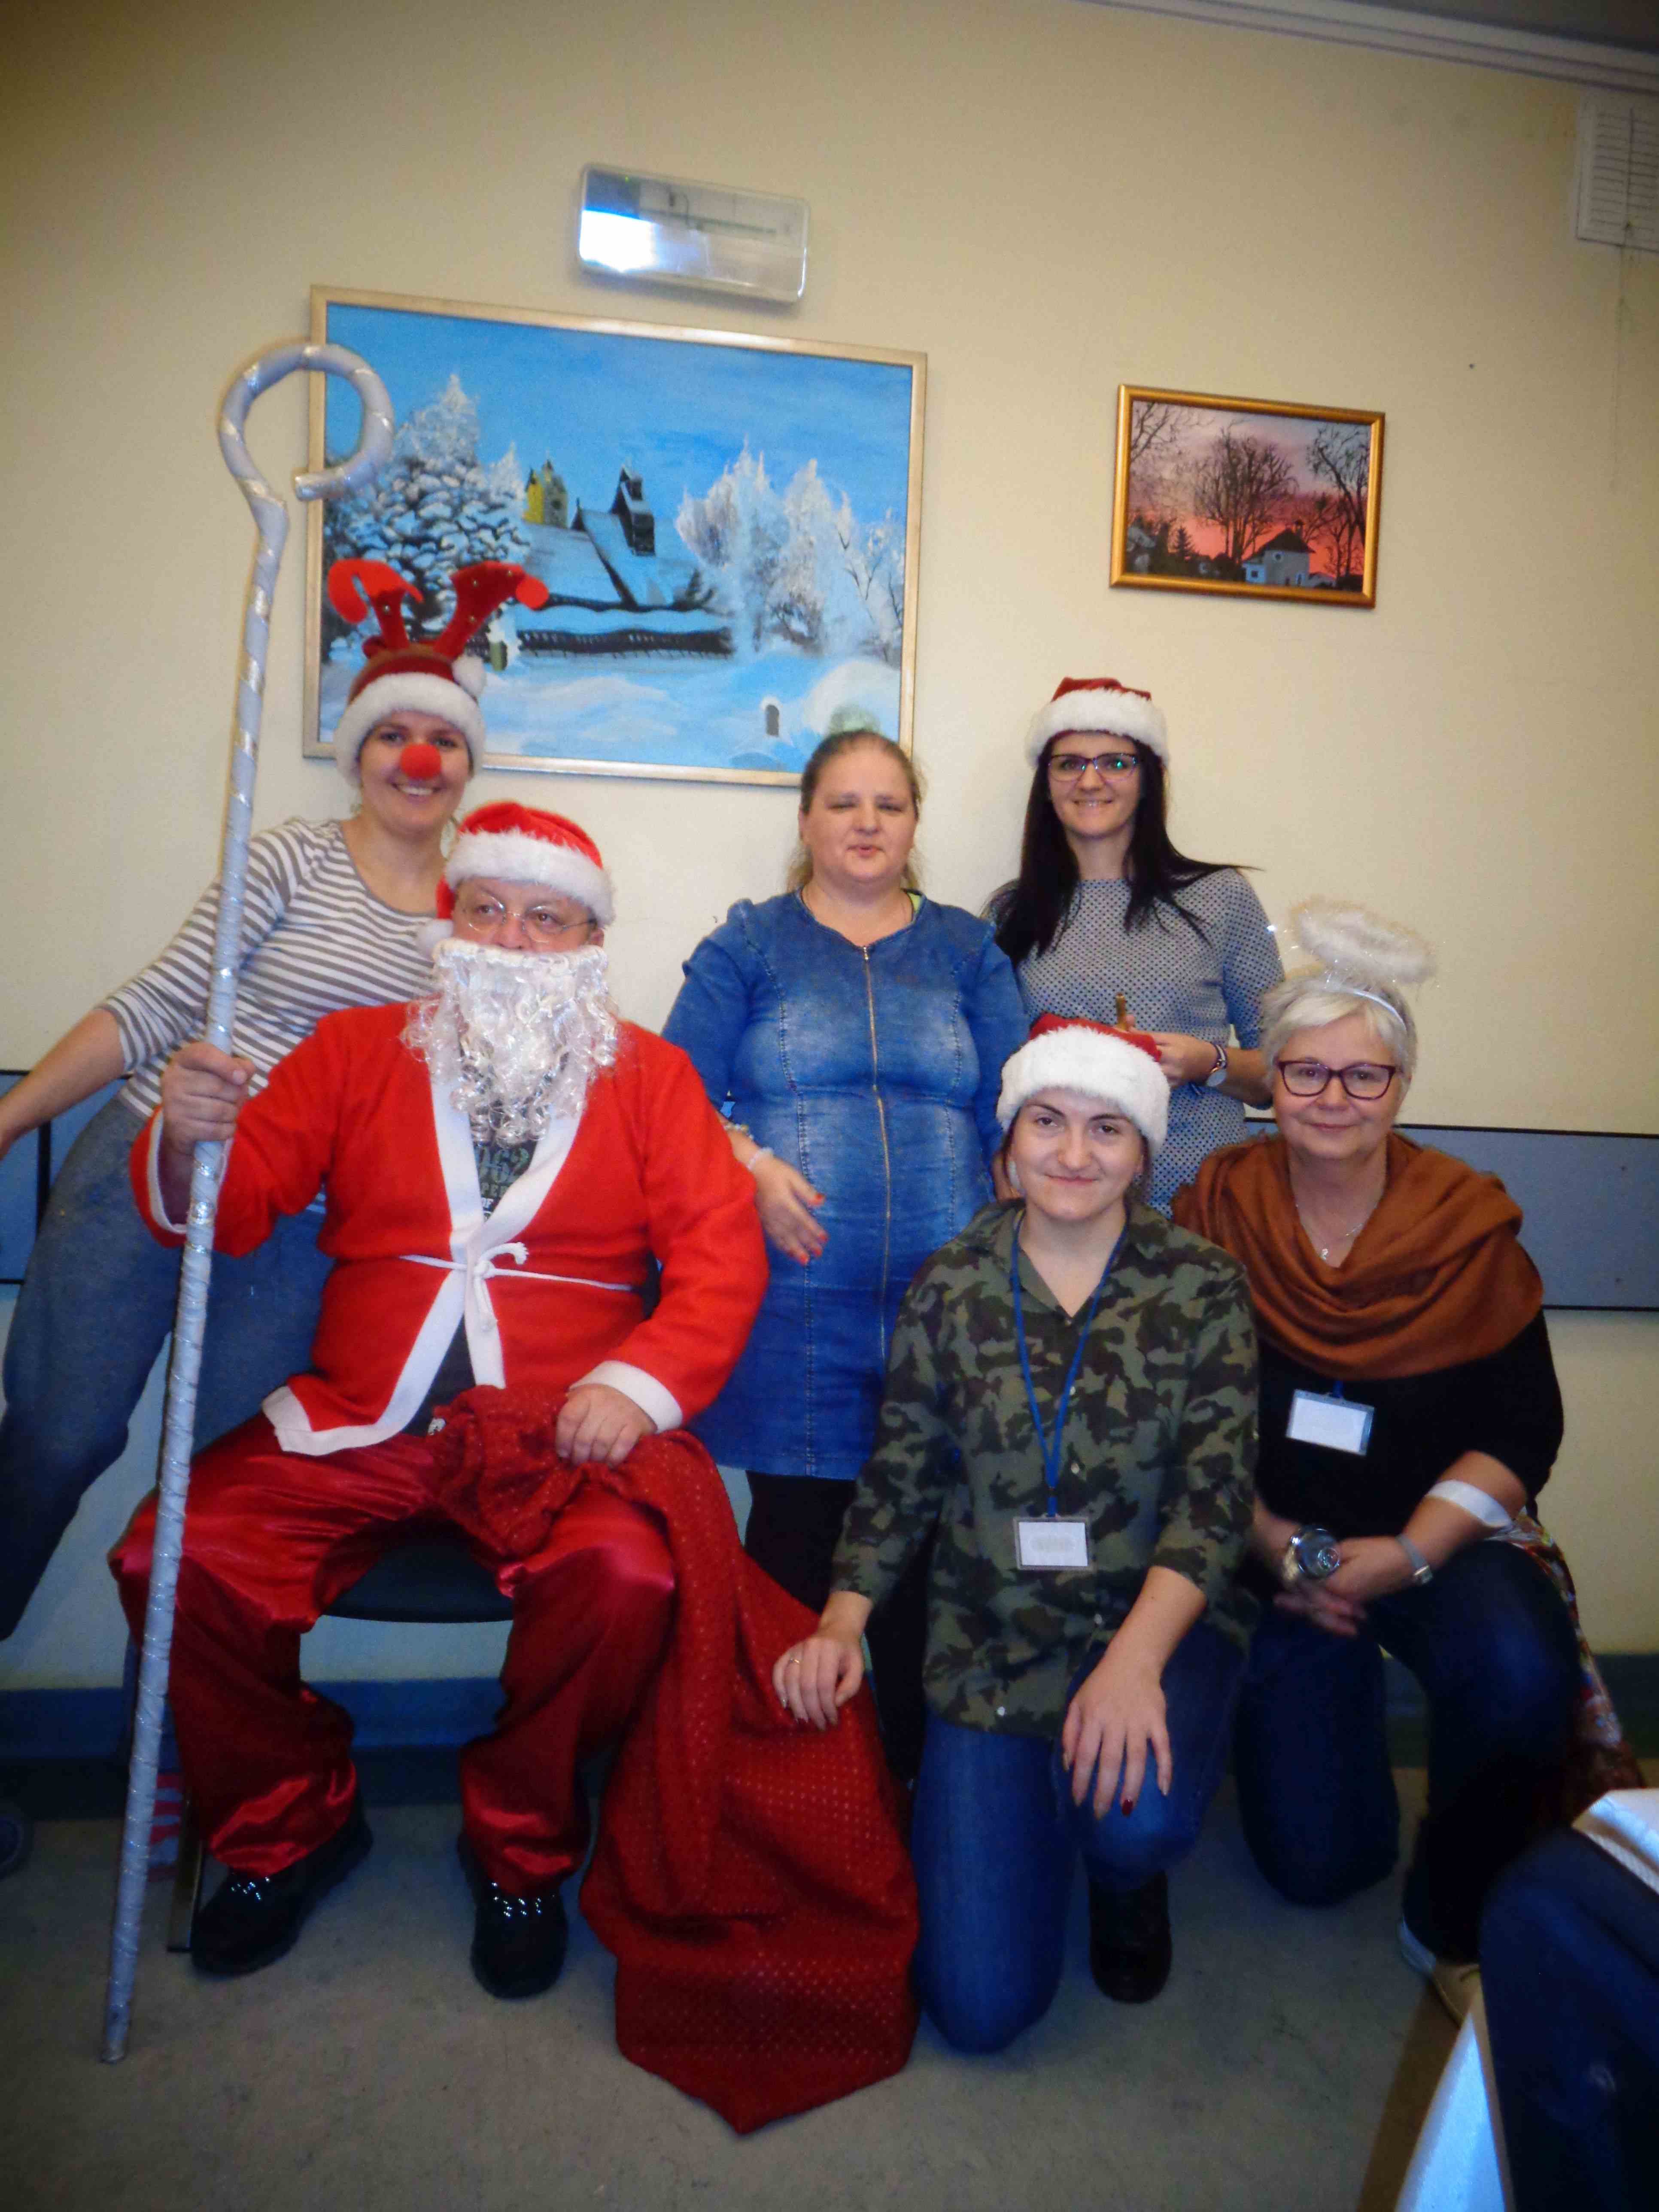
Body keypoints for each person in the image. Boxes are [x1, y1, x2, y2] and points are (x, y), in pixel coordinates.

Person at [109, 802, 768, 1999]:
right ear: (449, 919)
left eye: (547, 918)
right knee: (172, 1557)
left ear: (591, 942)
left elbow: (722, 1259)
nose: (512, 940)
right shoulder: (354, 1051)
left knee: (628, 1580)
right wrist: (186, 1137)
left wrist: (636, 1388)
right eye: (489, 909)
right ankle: (288, 1824)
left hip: (559, 1436)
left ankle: (521, 1844)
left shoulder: (655, 1078)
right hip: (358, 1421)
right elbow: (234, 1206)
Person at [0, 556, 550, 1640]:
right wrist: (13, 1120)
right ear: (358, 755)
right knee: (58, 1439)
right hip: (153, 1162)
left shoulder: (480, 917)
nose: (417, 759)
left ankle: (170, 1738)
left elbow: (537, 1065)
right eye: (392, 735)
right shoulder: (291, 860)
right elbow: (154, 1006)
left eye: (439, 740)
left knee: (215, 1495)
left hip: (296, 1227)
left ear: (466, 763)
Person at [1172, 897, 1622, 2023]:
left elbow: (1522, 1431)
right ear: (1272, 1083)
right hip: (1270, 1545)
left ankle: (1454, 1916)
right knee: (1319, 1865)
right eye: (1306, 1072)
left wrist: (1408, 1555)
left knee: (1519, 1669)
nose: (1333, 1097)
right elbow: (1175, 1414)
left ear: (1402, 1085)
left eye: (1363, 1075)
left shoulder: (1466, 1223)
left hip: (1437, 1540)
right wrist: (1275, 1547)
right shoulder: (1215, 1207)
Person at [774, 1015, 1258, 2051]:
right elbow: (902, 1471)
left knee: (1132, 1819)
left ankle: (1124, 1873)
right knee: (980, 2008)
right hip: (991, 1637)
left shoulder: (1203, 1286)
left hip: (1150, 1624)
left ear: (1144, 1151)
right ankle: (1037, 1800)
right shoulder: (950, 1284)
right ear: (1009, 1140)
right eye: (1048, 1122)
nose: (1075, 1153)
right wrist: (840, 1621)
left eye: (1107, 1128)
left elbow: (1214, 1502)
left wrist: (1134, 1665)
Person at [662, 728, 1027, 1781]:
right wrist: (746, 1163)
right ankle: (787, 1799)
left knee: (929, 1556)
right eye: (843, 803)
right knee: (793, 1547)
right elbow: (671, 1094)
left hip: (947, 1310)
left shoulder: (969, 950)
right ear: (806, 819)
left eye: (890, 805)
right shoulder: (748, 945)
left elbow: (1018, 1108)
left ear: (914, 823)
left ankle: (920, 1798)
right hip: (794, 1311)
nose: (867, 823)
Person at [991, 675, 1282, 1213]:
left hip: (1201, 1204)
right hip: (1061, 1204)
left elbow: (1283, 1074)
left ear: (1149, 779)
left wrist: (1207, 1062)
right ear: (1046, 783)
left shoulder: (1220, 897)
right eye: (1069, 763)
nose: (1091, 780)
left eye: (1116, 762)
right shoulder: (1010, 914)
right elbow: (993, 1074)